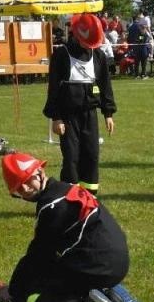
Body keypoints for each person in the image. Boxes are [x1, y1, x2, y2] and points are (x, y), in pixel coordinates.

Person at [0, 151, 142, 302]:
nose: (24, 189)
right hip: (117, 261)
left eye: (26, 180)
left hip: (101, 267)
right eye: (18, 188)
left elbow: (38, 254)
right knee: (47, 270)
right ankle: (103, 288)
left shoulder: (51, 205)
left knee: (30, 293)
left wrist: (14, 289)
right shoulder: (66, 189)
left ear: (40, 172)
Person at [44, 12, 116, 193]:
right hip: (67, 117)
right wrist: (56, 118)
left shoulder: (98, 55)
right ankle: (69, 196)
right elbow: (53, 88)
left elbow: (105, 85)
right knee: (71, 157)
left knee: (91, 156)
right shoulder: (61, 54)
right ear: (77, 34)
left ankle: (89, 197)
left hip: (89, 115)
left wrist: (108, 114)